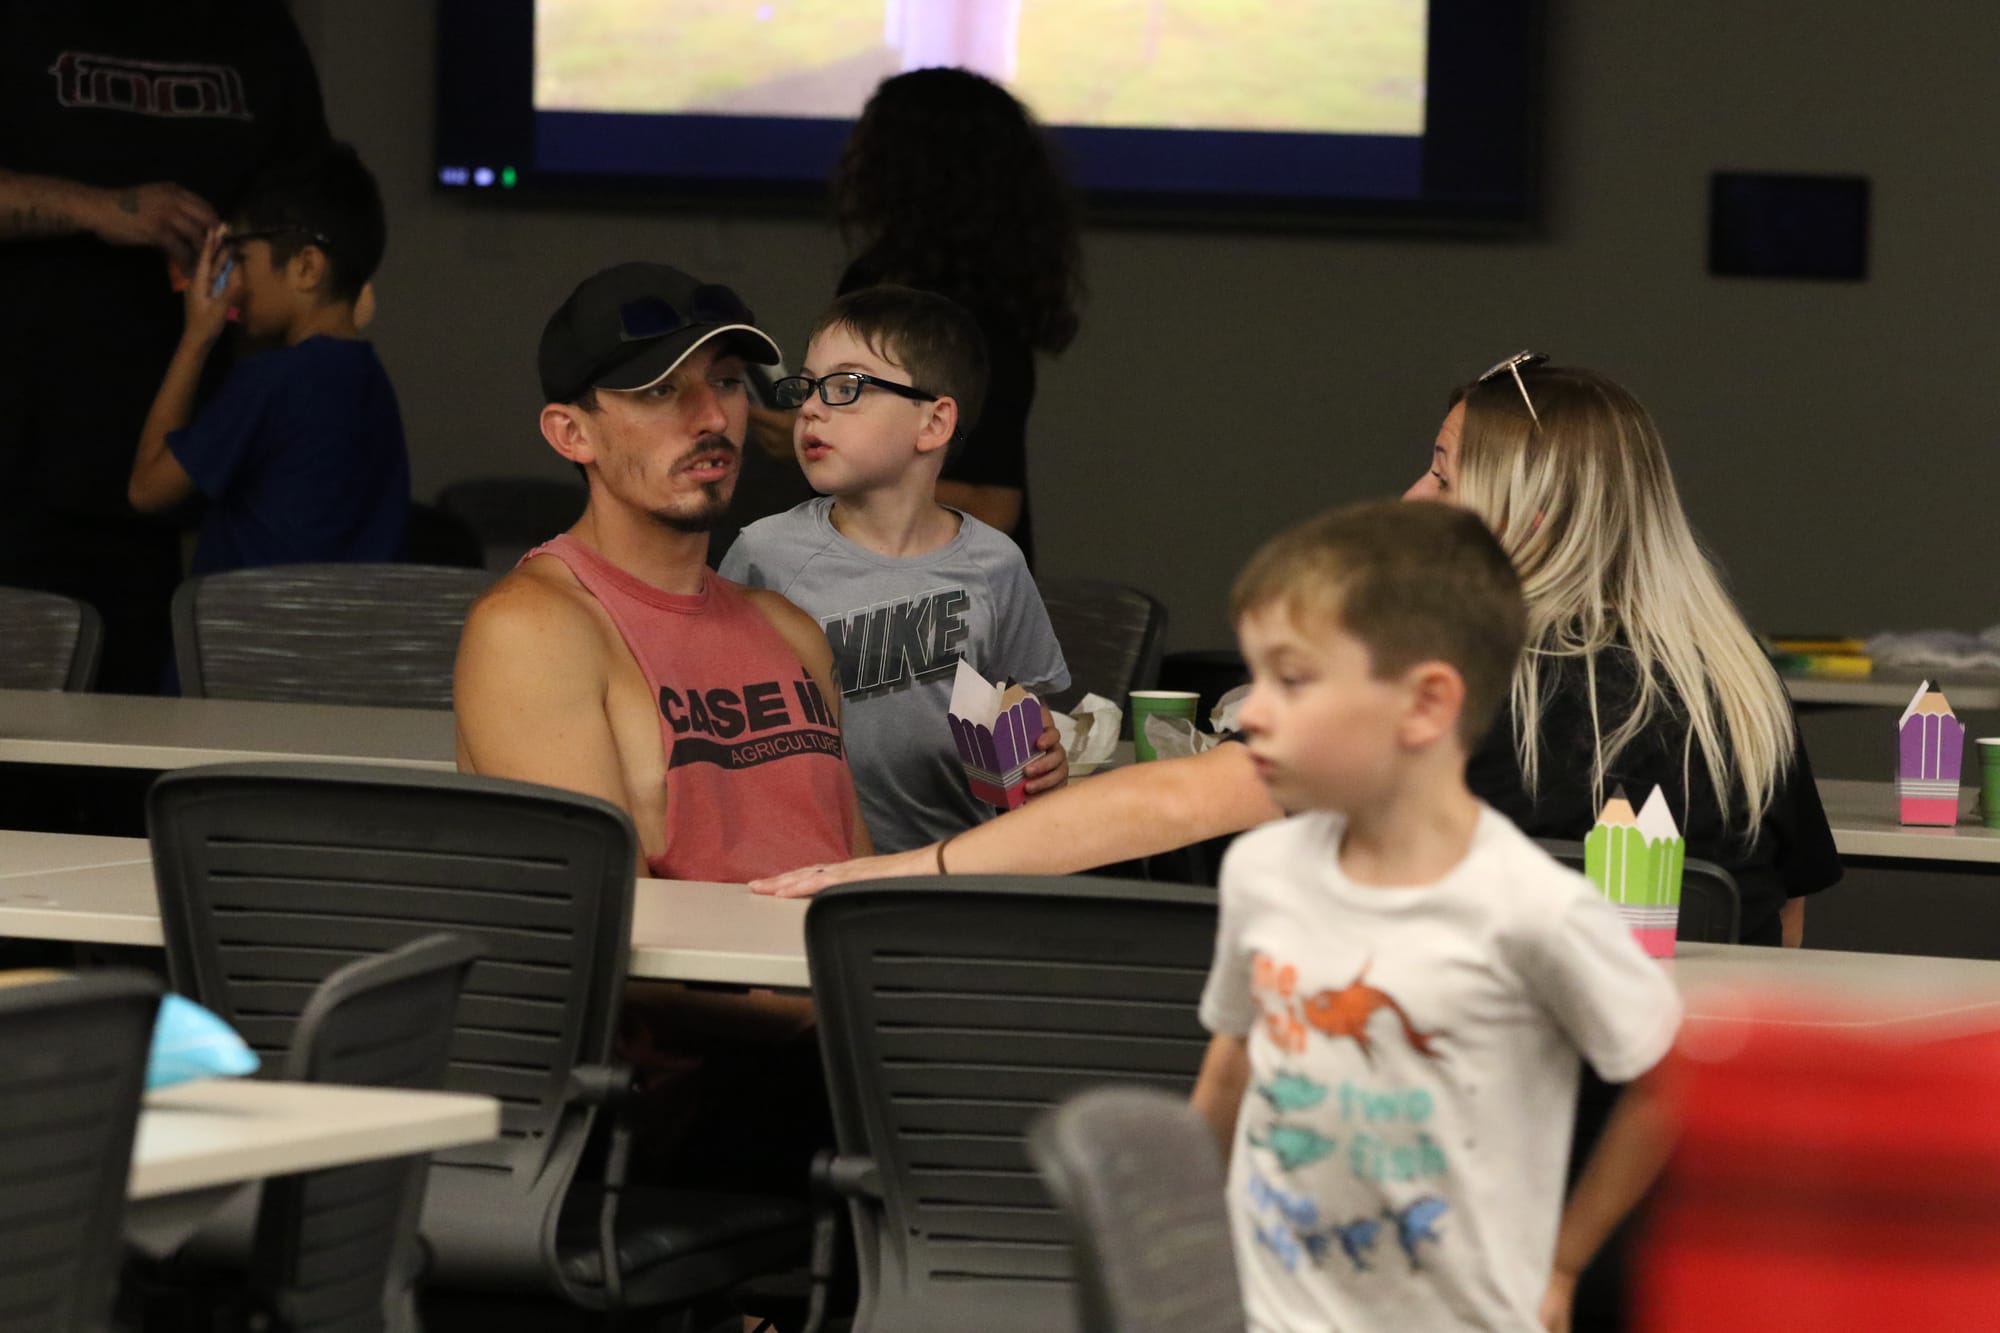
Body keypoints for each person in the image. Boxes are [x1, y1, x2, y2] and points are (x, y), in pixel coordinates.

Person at [751, 357, 1841, 952]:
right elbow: (1779, 927)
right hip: (1684, 1147)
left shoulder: (1431, 684)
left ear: (1534, 513)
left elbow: (1173, 802)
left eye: (1444, 472)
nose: (1413, 493)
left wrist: (908, 869)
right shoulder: (1735, 687)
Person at [1188, 499, 1682, 1332]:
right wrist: (1181, 1241)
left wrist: (1564, 1264)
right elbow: (1234, 1061)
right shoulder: (1260, 872)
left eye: (1292, 679)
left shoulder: (1535, 907)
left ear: (1424, 705)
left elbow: (1667, 1080)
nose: (1251, 713)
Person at [453, 261, 869, 880]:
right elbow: (603, 922)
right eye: (660, 391)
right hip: (699, 950)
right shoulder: (530, 631)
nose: (712, 418)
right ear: (572, 434)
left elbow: (861, 886)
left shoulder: (791, 631)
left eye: (727, 382)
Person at [0, 1, 329, 691]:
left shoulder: (258, 29)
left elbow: (317, 211)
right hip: (22, 452)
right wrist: (101, 208)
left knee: (155, 716)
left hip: (190, 468)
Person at [720, 284, 1069, 853]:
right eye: (807, 386)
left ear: (933, 424)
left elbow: (1019, 706)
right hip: (806, 866)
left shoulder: (996, 563)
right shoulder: (765, 554)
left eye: (845, 388)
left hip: (955, 869)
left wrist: (1045, 758)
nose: (809, 408)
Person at [824, 66, 1084, 565]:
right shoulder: (991, 293)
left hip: (944, 590)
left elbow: (991, 503)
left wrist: (829, 454)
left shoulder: (946, 309)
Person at [126, 142, 409, 576]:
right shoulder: (375, 384)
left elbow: (146, 489)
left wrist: (196, 338)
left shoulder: (271, 381)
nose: (235, 282)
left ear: (307, 268)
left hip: (245, 620)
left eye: (241, 258)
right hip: (348, 620)